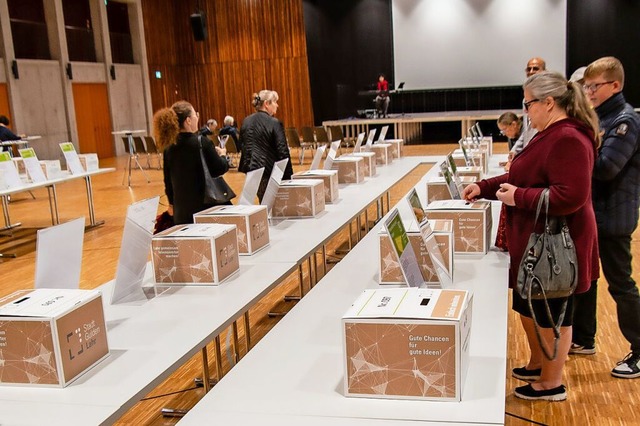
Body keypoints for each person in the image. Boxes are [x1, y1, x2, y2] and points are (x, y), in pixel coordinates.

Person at [462, 71, 600, 401]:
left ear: (548, 103)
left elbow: (571, 196)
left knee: (552, 315)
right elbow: (521, 173)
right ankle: (539, 363)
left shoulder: (568, 137)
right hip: (537, 244)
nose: (526, 111)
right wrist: (485, 187)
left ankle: (552, 384)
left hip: (557, 247)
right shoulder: (547, 134)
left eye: (528, 104)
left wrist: (517, 197)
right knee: (529, 307)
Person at [571, 57, 640, 379]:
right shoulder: (599, 118)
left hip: (614, 217)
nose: (589, 92)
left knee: (621, 286)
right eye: (586, 87)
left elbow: (606, 168)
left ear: (615, 85)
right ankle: (584, 339)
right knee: (586, 278)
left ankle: (639, 350)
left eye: (594, 86)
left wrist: (574, 155)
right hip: (594, 214)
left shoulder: (625, 121)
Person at [153, 101, 229, 225]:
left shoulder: (169, 147)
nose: (197, 118)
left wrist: (171, 204)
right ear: (188, 120)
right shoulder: (202, 142)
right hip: (204, 208)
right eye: (196, 115)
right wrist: (223, 155)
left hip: (181, 211)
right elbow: (219, 169)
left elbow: (168, 181)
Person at [238, 90, 293, 202]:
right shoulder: (274, 122)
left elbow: (241, 145)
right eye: (275, 102)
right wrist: (289, 177)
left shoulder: (246, 121)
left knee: (262, 204)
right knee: (275, 207)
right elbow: (282, 150)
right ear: (267, 104)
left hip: (252, 173)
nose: (277, 105)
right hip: (269, 173)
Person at [494, 112, 523, 251]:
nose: (505, 133)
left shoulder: (525, 134)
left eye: (505, 130)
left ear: (514, 124)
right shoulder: (514, 137)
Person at [508, 57, 546, 159]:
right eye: (528, 69)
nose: (531, 71)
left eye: (535, 68)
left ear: (544, 71)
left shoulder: (547, 97)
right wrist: (515, 151)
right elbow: (527, 130)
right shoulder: (526, 99)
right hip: (528, 154)